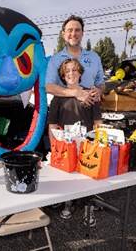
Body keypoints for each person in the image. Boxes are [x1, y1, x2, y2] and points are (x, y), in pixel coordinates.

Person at [48, 58, 102, 226]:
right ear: (63, 77)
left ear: (80, 73)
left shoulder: (91, 94)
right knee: (68, 175)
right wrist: (54, 147)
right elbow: (52, 124)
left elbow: (97, 122)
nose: (71, 74)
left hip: (86, 143)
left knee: (88, 176)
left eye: (74, 70)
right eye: (67, 72)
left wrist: (98, 144)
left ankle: (89, 207)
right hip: (66, 144)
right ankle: (68, 203)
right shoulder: (58, 97)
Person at [46, 15, 105, 107]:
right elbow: (48, 87)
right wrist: (75, 93)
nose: (73, 34)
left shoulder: (94, 57)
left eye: (77, 30)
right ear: (63, 34)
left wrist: (99, 91)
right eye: (70, 30)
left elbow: (101, 84)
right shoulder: (55, 60)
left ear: (82, 33)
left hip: (91, 111)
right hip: (64, 113)